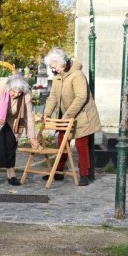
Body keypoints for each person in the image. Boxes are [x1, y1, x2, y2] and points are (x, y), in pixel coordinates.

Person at [43, 47, 103, 186]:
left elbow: (81, 97)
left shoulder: (77, 75)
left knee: (82, 146)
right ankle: (58, 172)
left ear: (62, 62)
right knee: (62, 145)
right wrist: (47, 113)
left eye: (54, 66)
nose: (53, 69)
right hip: (66, 118)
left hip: (82, 116)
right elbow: (53, 96)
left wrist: (67, 115)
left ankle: (84, 175)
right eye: (51, 67)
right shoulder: (58, 76)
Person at [0, 74, 39, 188]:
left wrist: (32, 137)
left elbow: (29, 117)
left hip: (13, 120)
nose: (16, 95)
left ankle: (11, 174)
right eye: (14, 92)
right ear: (9, 88)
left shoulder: (26, 94)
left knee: (11, 144)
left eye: (19, 93)